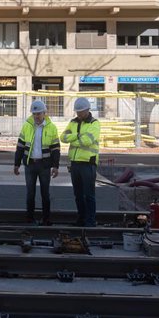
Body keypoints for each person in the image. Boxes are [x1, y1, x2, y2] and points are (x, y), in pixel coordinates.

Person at [13, 100, 60, 226]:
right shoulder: (27, 126)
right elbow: (20, 146)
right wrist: (16, 164)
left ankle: (46, 219)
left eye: (38, 113)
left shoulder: (52, 127)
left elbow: (55, 148)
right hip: (30, 164)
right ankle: (29, 218)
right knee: (30, 193)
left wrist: (55, 166)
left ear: (44, 113)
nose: (36, 116)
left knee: (45, 193)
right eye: (34, 114)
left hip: (44, 165)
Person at [61, 97, 101, 227]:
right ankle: (81, 219)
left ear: (87, 110)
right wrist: (78, 136)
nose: (79, 114)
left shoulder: (94, 123)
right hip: (75, 163)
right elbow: (63, 137)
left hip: (88, 163)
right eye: (77, 112)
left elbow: (87, 141)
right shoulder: (73, 122)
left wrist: (73, 138)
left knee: (89, 195)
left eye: (81, 112)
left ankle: (90, 221)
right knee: (78, 195)